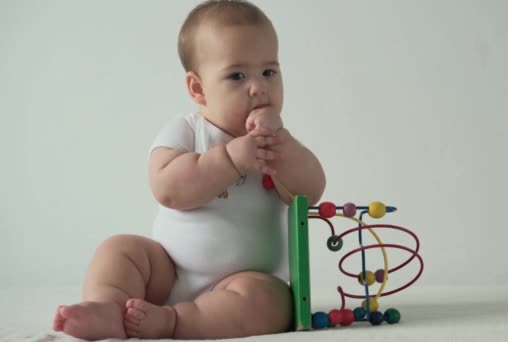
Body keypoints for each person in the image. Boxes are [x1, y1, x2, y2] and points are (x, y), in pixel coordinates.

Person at [52, 0, 326, 339]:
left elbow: (310, 192)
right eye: (237, 76)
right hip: (167, 270)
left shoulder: (275, 144)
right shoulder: (186, 130)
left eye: (269, 72)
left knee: (275, 302)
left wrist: (283, 145)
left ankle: (174, 322)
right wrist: (229, 159)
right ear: (198, 88)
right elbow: (167, 188)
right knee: (119, 250)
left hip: (241, 281)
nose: (259, 87)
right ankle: (109, 308)